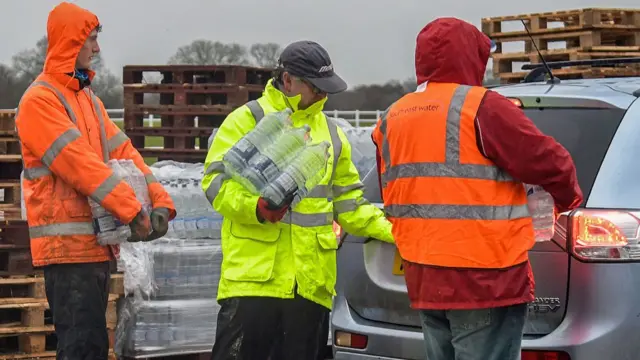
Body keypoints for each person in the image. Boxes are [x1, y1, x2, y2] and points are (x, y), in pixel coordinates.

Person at [371, 17, 583, 360]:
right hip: (485, 279)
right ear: (471, 56)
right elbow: (551, 163)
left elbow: (396, 193)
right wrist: (565, 201)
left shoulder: (392, 117)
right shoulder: (480, 106)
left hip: (424, 277)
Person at [202, 40, 394, 360]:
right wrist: (256, 209)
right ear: (288, 80)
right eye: (315, 87)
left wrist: (398, 232)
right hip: (253, 283)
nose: (322, 95)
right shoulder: (246, 120)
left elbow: (350, 205)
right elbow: (214, 184)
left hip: (309, 287)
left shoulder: (332, 134)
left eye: (326, 88)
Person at [14, 2, 176, 359]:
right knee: (82, 349)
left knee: (89, 347)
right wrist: (133, 209)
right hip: (67, 253)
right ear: (71, 44)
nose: (97, 49)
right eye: (90, 40)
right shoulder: (40, 102)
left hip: (94, 247)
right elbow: (81, 165)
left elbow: (126, 155)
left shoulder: (88, 100)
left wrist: (160, 198)